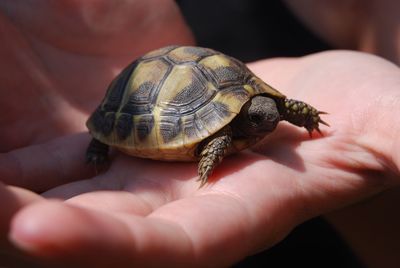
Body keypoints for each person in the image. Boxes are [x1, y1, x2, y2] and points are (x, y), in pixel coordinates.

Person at [0, 0, 399, 267]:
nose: (270, 121)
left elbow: (276, 108)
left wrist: (311, 124)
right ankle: (100, 141)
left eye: (267, 118)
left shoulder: (266, 108)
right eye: (262, 120)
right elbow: (223, 132)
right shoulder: (226, 133)